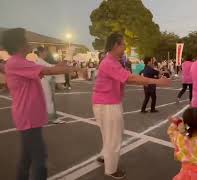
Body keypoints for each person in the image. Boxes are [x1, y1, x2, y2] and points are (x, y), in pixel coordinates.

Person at [2, 28, 81, 180]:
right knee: (39, 159)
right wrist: (77, 68)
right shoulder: (16, 63)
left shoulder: (22, 62)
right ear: (19, 44)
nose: (29, 42)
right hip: (28, 118)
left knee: (26, 158)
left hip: (29, 117)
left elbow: (49, 68)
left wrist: (63, 64)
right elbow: (48, 71)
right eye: (26, 39)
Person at [92, 33, 170, 179]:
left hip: (107, 103)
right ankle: (111, 169)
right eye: (123, 44)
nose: (125, 47)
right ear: (116, 45)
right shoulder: (109, 62)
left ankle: (104, 156)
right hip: (107, 104)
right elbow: (131, 78)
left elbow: (129, 79)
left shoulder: (113, 61)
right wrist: (158, 82)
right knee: (113, 137)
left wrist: (153, 81)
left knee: (110, 133)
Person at [35, 47, 64, 124]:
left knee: (45, 100)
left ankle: (43, 117)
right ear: (40, 52)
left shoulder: (40, 61)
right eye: (45, 52)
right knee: (49, 100)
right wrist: (63, 62)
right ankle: (52, 118)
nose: (46, 54)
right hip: (44, 81)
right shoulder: (40, 61)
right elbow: (52, 67)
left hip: (43, 81)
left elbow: (52, 66)